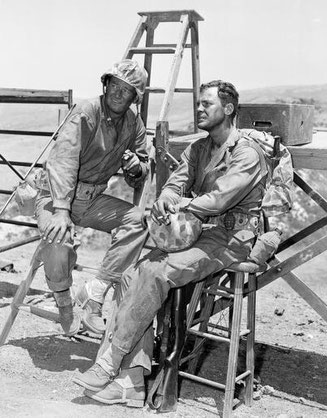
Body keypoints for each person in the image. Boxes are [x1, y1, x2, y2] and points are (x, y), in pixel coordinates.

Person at [72, 79, 268, 407]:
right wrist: (167, 196)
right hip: (197, 233)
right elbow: (176, 181)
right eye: (200, 104)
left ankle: (109, 365)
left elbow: (220, 200)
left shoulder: (246, 153)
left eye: (207, 104)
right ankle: (132, 381)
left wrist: (181, 205)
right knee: (134, 271)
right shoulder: (200, 148)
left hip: (231, 239)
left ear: (229, 109)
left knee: (154, 274)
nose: (200, 108)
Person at [35, 59, 149, 336]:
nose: (118, 94)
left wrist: (136, 168)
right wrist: (61, 211)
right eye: (115, 86)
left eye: (127, 91)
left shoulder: (134, 123)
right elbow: (63, 161)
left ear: (135, 98)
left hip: (90, 200)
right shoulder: (87, 111)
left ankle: (94, 294)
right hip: (55, 196)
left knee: (137, 222)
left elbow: (142, 166)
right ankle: (64, 302)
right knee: (58, 238)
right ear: (106, 84)